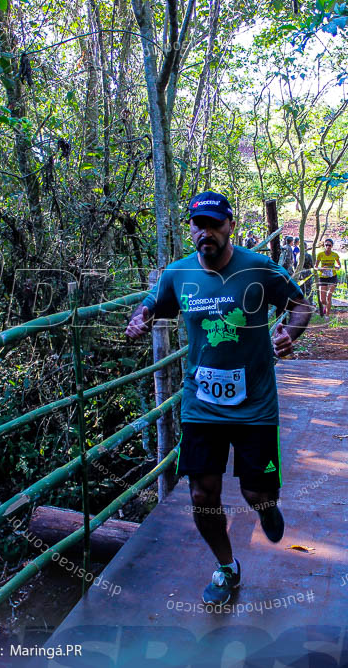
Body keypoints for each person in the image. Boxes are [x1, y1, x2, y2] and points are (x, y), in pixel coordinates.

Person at [125, 191, 312, 607]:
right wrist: (139, 319)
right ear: (190, 229)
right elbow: (150, 305)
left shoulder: (260, 269)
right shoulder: (177, 273)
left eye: (214, 224)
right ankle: (227, 567)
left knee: (256, 493)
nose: (205, 232)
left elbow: (301, 305)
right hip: (201, 403)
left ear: (230, 226)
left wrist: (288, 332)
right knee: (201, 494)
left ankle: (266, 506)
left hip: (255, 404)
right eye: (198, 225)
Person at [315, 238, 341, 317]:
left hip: (332, 277)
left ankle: (327, 315)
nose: (328, 246)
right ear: (324, 245)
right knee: (322, 300)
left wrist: (337, 267)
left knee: (329, 296)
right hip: (323, 277)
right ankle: (326, 306)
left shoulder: (335, 255)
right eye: (326, 245)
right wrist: (320, 269)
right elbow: (315, 267)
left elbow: (339, 265)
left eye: (329, 245)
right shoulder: (320, 254)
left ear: (332, 246)